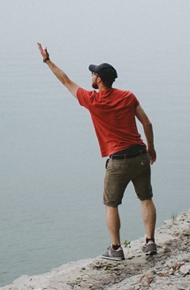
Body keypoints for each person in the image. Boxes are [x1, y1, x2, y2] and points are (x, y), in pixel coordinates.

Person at [37, 43, 158, 260]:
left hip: (118, 161)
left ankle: (116, 249)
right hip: (140, 155)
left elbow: (65, 81)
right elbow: (147, 124)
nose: (91, 77)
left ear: (99, 79)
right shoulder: (128, 96)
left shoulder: (92, 100)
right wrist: (151, 149)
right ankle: (150, 243)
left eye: (93, 74)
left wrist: (47, 60)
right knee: (145, 198)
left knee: (111, 204)